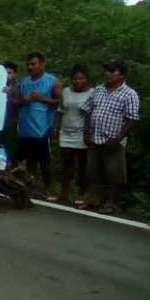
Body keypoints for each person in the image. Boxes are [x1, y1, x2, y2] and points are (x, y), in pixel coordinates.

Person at [81, 60, 139, 214]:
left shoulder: (129, 94)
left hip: (113, 139)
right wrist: (86, 132)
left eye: (112, 71)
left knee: (114, 174)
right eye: (107, 70)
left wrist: (118, 138)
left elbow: (131, 119)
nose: (108, 73)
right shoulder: (99, 89)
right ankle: (92, 200)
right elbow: (87, 110)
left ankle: (111, 203)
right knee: (93, 171)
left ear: (121, 74)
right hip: (95, 137)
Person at [16, 52, 62, 199]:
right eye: (28, 64)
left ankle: (49, 189)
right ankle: (29, 186)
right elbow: (15, 101)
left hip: (43, 128)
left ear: (41, 64)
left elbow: (60, 102)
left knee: (45, 161)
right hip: (25, 128)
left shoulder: (52, 81)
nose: (30, 67)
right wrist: (24, 99)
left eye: (33, 64)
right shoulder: (24, 82)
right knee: (29, 160)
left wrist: (41, 98)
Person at [56, 65, 93, 205]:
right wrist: (55, 126)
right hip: (66, 132)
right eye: (76, 78)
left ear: (87, 79)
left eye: (82, 78)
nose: (78, 81)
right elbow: (60, 110)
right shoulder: (66, 91)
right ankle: (64, 193)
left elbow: (92, 114)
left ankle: (82, 194)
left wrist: (88, 133)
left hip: (82, 133)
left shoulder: (92, 93)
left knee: (83, 165)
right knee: (66, 164)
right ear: (72, 79)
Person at [0, 61, 20, 169]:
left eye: (10, 73)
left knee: (9, 154)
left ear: (14, 74)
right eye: (5, 73)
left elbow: (20, 103)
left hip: (10, 125)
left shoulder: (18, 87)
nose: (7, 75)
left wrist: (9, 95)